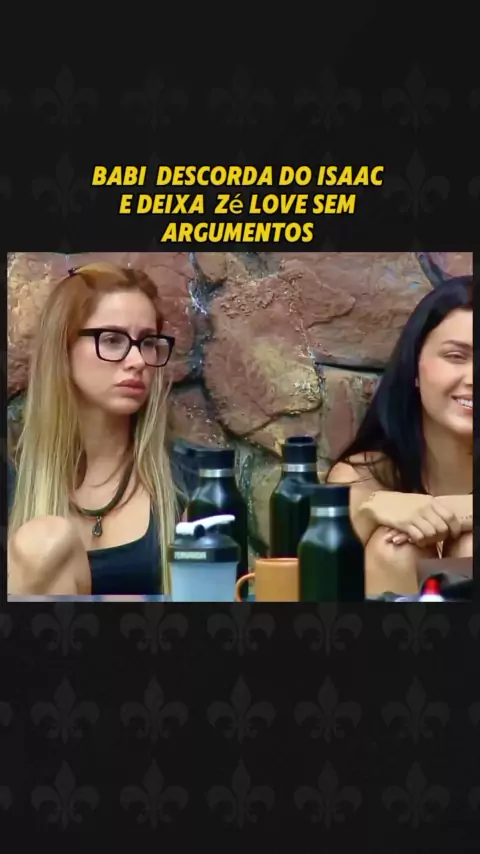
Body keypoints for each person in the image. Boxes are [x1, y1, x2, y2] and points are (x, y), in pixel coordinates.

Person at [7, 262, 187, 596]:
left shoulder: (191, 482)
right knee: (43, 543)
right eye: (113, 339)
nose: (138, 361)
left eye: (148, 342)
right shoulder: (13, 481)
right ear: (63, 348)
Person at [326, 276, 473, 596]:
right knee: (393, 548)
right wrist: (369, 509)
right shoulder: (366, 475)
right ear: (414, 367)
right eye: (456, 356)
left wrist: (448, 510)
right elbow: (307, 587)